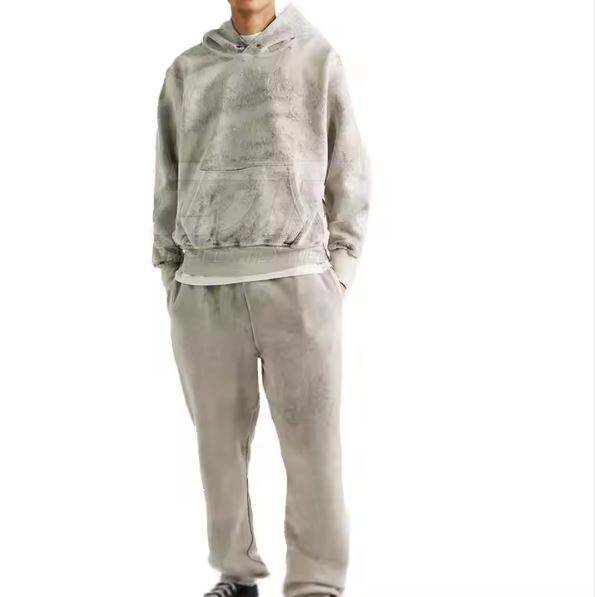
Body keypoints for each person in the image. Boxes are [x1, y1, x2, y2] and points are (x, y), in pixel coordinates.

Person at [152, 1, 369, 595]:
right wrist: (171, 273)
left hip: (299, 282)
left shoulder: (316, 59)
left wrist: (338, 271)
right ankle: (237, 574)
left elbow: (348, 170)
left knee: (312, 445)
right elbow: (166, 180)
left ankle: (317, 583)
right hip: (204, 291)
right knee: (218, 448)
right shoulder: (187, 71)